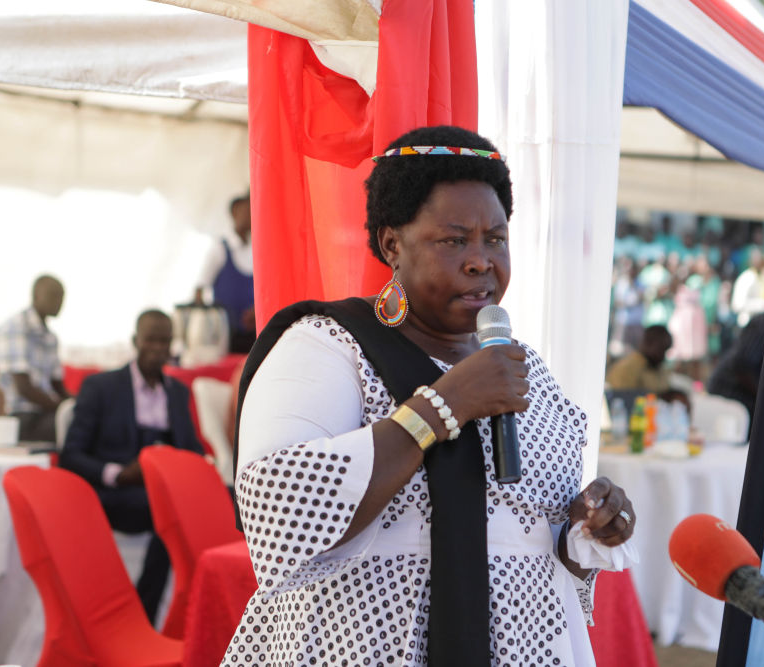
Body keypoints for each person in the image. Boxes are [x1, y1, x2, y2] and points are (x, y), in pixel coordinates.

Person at [226, 126, 637, 666]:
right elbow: (278, 509)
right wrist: (443, 406)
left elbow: (528, 540)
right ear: (392, 245)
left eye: (495, 239)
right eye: (454, 240)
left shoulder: (522, 366)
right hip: (365, 646)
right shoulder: (328, 347)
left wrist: (585, 529)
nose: (480, 260)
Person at [58, 309, 203, 623]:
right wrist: (119, 474)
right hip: (118, 492)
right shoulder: (101, 387)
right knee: (171, 512)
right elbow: (70, 454)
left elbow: (192, 450)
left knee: (231, 501)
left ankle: (214, 609)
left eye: (164, 341)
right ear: (135, 341)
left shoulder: (178, 393)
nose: (158, 348)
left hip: (167, 490)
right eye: (151, 340)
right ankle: (144, 616)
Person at [0, 275, 70, 441]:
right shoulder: (16, 327)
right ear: (36, 295)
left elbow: (58, 387)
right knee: (76, 427)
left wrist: (80, 405)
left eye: (61, 296)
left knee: (87, 421)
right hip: (17, 418)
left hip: (45, 413)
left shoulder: (50, 337)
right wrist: (62, 409)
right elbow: (23, 388)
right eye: (53, 295)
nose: (59, 302)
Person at [195, 193, 256, 354]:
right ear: (235, 212)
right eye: (248, 210)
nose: (252, 215)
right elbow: (200, 289)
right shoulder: (220, 248)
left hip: (254, 333)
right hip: (226, 338)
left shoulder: (256, 248)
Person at [605, 324, 674, 394]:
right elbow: (619, 396)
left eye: (665, 350)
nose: (663, 356)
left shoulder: (657, 368)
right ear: (648, 344)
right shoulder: (628, 368)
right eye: (661, 350)